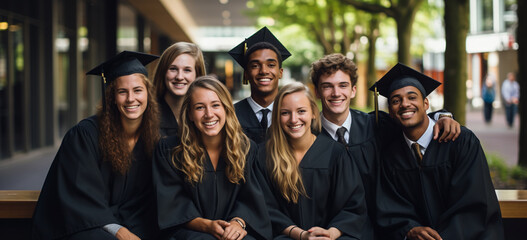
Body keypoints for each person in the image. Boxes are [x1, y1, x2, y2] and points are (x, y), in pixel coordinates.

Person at [310, 54, 461, 239]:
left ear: (353, 90)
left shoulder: (376, 124)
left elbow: (412, 117)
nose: (336, 93)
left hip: (381, 230)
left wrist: (442, 116)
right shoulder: (308, 136)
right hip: (330, 232)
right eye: (327, 86)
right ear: (317, 92)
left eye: (343, 85)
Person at [32, 51, 161, 240]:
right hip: (85, 226)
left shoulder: (152, 138)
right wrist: (119, 230)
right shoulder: (84, 136)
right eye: (122, 91)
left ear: (148, 94)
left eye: (138, 90)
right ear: (111, 97)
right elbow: (80, 198)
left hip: (131, 222)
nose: (131, 98)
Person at [372, 63, 504, 240]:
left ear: (426, 103)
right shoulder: (390, 155)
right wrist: (409, 229)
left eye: (412, 97)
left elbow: (473, 203)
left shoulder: (460, 141)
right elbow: (390, 207)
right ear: (390, 111)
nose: (404, 104)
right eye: (396, 100)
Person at [152, 76, 271, 240]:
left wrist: (238, 223)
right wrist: (207, 225)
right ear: (190, 114)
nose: (209, 114)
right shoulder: (171, 150)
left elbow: (251, 199)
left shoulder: (245, 149)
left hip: (230, 230)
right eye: (200, 107)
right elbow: (172, 204)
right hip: (189, 232)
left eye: (216, 105)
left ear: (226, 109)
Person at [254, 82, 366, 239]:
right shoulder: (263, 155)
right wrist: (301, 235)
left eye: (301, 111)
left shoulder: (335, 154)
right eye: (285, 113)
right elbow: (265, 208)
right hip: (285, 236)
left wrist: (330, 234)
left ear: (313, 112)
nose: (294, 119)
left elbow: (353, 205)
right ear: (277, 116)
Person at [228, 27, 291, 143]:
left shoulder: (293, 114)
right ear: (246, 74)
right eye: (255, 66)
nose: (264, 71)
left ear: (280, 72)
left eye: (271, 65)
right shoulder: (231, 115)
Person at [152, 42, 206, 136]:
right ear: (163, 72)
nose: (179, 77)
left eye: (187, 70)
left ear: (197, 75)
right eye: (173, 69)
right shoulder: (148, 115)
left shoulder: (205, 116)